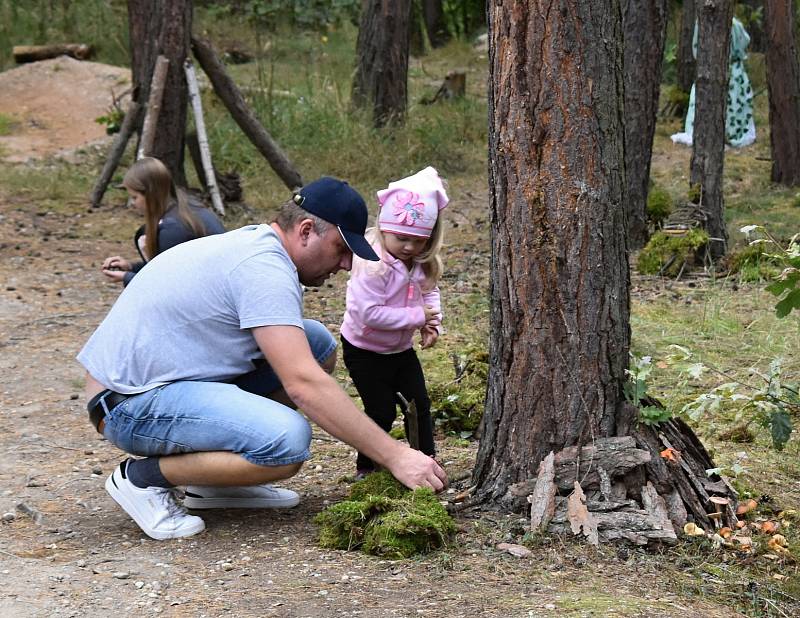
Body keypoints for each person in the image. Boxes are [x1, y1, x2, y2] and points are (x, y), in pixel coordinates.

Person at [77, 176, 447, 540]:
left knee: (316, 342)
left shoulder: (260, 246)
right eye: (341, 249)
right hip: (126, 403)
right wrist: (396, 456)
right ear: (306, 230)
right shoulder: (264, 270)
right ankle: (141, 480)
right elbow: (303, 384)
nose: (348, 265)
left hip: (160, 380)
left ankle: (213, 485)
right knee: (286, 443)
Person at [340, 167, 448, 478]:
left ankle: (426, 458)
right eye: (402, 238)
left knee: (419, 404)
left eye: (419, 240)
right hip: (365, 350)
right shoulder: (373, 265)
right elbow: (368, 314)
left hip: (400, 350)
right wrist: (417, 318)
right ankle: (367, 466)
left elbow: (430, 292)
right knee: (380, 410)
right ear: (384, 228)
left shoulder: (419, 261)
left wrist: (432, 323)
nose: (410, 248)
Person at [101, 157, 225, 286]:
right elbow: (173, 268)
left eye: (134, 197)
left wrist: (128, 278)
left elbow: (167, 285)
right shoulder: (189, 208)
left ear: (150, 194)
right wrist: (131, 267)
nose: (132, 204)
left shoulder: (172, 230)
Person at [671, 16, 755, 148]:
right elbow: (744, 41)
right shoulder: (733, 24)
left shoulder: (707, 22)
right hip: (726, 71)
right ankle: (728, 132)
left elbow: (696, 47)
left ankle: (720, 131)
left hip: (713, 70)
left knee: (728, 100)